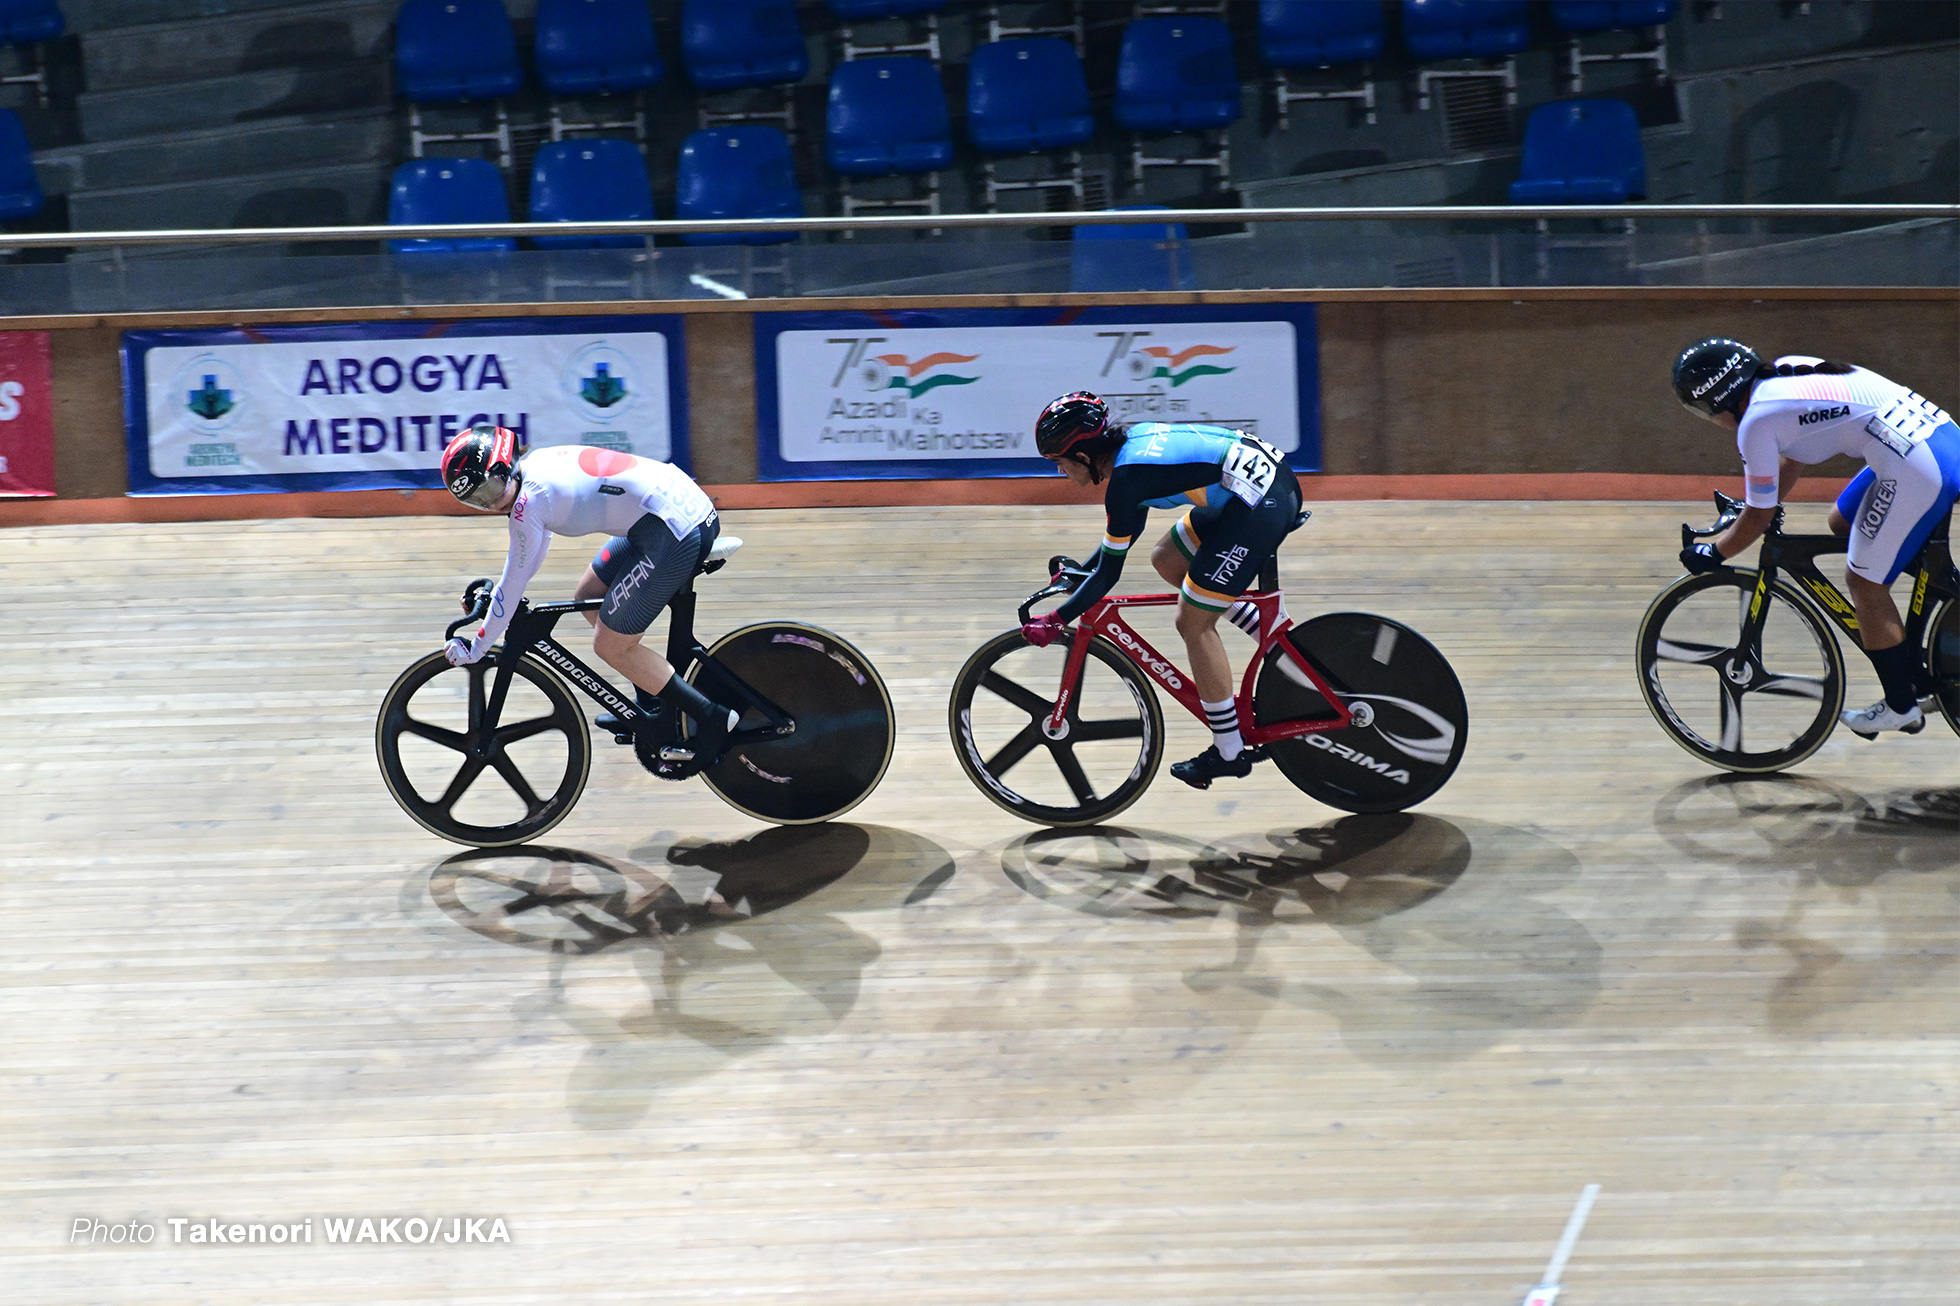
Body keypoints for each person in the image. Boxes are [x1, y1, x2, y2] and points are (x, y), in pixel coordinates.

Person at [1672, 338, 1960, 737]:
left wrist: (1714, 552)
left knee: (1863, 582)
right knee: (1842, 522)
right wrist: (1756, 503)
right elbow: (1791, 460)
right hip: (1940, 440)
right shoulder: (1788, 370)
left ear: (1715, 402)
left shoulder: (1755, 422)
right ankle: (1923, 604)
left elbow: (1760, 515)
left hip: (1917, 465)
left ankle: (1901, 705)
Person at [1024, 391, 1304, 788]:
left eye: (1059, 463)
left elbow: (1108, 578)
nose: (1059, 472)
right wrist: (1079, 573)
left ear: (1083, 455)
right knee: (1168, 559)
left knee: (1193, 623)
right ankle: (1272, 639)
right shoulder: (1128, 456)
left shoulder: (1126, 480)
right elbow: (1118, 545)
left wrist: (1055, 620)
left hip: (1259, 503)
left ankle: (1228, 751)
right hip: (1253, 489)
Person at [437, 423, 740, 770]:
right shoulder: (534, 468)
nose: (491, 503)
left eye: (491, 489)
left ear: (505, 465)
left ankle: (712, 716)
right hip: (667, 513)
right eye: (477, 500)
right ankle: (650, 705)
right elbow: (526, 562)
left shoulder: (528, 502)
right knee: (589, 593)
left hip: (672, 529)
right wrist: (495, 618)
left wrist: (477, 647)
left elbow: (514, 581)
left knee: (610, 645)